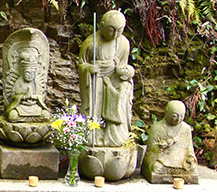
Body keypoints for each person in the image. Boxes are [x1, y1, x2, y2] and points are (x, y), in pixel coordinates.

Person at [79, 10, 134, 147]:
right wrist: (89, 68)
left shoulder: (124, 44)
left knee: (123, 89)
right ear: (101, 26)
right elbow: (81, 64)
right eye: (111, 30)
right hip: (95, 78)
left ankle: (114, 135)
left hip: (114, 77)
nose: (115, 34)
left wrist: (122, 70)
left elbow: (124, 66)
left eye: (119, 30)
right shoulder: (91, 42)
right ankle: (94, 135)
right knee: (95, 98)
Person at [142, 100, 198, 180]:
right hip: (163, 158)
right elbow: (150, 152)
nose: (178, 119)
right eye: (175, 116)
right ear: (167, 112)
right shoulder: (157, 128)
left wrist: (190, 158)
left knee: (193, 168)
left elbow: (189, 148)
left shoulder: (186, 128)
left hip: (180, 158)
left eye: (182, 116)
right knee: (156, 167)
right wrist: (159, 147)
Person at [4, 47, 50, 122]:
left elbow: (40, 96)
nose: (30, 75)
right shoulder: (19, 83)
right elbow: (13, 95)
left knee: (45, 115)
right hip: (21, 107)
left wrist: (34, 97)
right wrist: (23, 97)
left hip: (34, 107)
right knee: (12, 116)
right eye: (28, 73)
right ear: (23, 72)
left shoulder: (36, 83)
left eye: (32, 73)